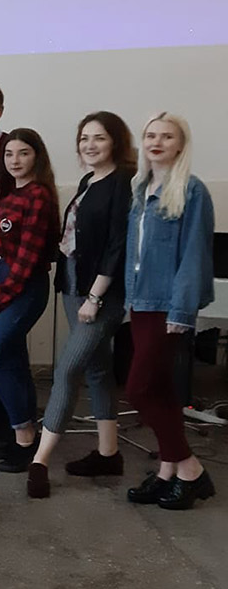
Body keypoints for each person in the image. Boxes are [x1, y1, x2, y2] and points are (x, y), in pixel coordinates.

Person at [26, 112, 134, 497]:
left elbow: (118, 245)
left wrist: (95, 296)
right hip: (73, 288)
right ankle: (108, 454)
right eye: (84, 138)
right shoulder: (90, 181)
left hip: (99, 296)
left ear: (116, 142)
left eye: (99, 138)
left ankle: (39, 461)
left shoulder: (122, 182)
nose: (90, 145)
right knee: (98, 370)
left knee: (67, 370)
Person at [122, 112, 215, 510]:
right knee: (160, 389)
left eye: (166, 136)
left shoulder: (192, 190)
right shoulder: (140, 188)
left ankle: (191, 470)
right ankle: (167, 472)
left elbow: (194, 255)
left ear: (180, 145)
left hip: (167, 306)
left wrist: (181, 310)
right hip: (141, 301)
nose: (156, 142)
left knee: (138, 389)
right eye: (150, 135)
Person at [0, 129, 60, 473]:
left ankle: (24, 436)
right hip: (2, 280)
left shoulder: (38, 196)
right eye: (9, 154)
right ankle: (25, 435)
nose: (15, 160)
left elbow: (26, 263)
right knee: (13, 360)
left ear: (36, 156)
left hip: (22, 287)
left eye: (23, 153)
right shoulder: (12, 194)